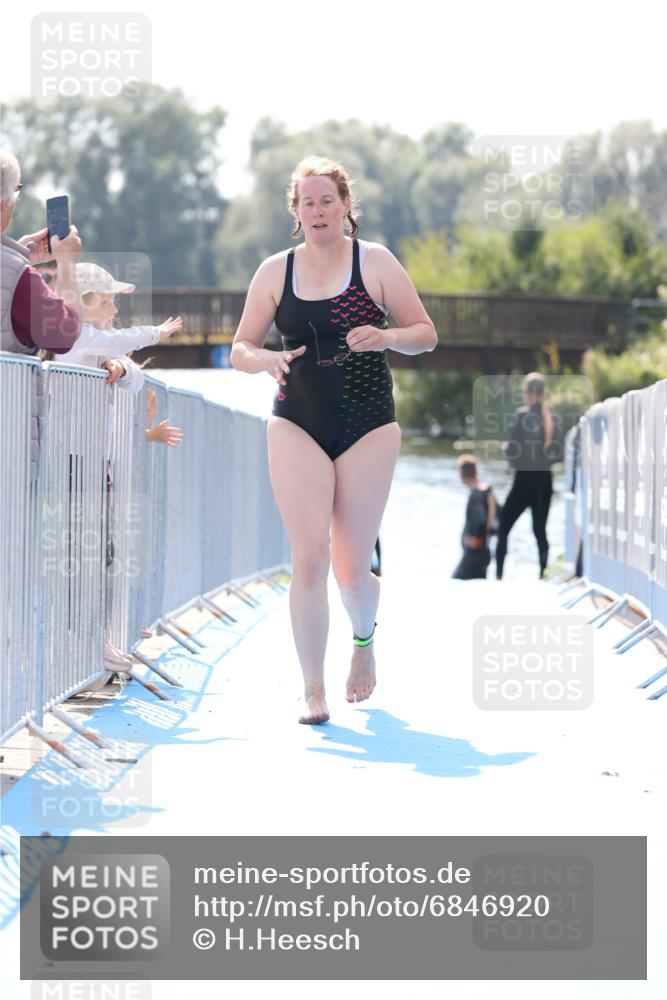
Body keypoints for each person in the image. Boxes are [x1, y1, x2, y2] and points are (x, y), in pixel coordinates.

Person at [231, 155, 437, 724]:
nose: (318, 211)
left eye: (327, 201)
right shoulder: (276, 270)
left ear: (347, 206)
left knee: (350, 567)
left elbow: (425, 335)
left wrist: (388, 335)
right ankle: (312, 688)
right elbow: (239, 348)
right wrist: (265, 358)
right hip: (296, 416)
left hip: (368, 421)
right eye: (307, 203)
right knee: (308, 556)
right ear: (295, 213)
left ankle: (364, 645)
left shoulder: (374, 263)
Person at [1, 149, 83, 355]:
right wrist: (66, 263)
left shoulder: (15, 269)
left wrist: (18, 253)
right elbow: (64, 335)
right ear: (3, 203)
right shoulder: (17, 275)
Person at [495, 372, 557, 580]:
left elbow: (512, 450)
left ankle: (499, 576)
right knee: (540, 530)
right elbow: (558, 452)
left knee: (503, 528)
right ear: (542, 393)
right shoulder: (552, 418)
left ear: (526, 393)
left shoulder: (520, 416)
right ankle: (542, 574)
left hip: (523, 480)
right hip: (545, 480)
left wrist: (514, 466)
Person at [452, 454, 497, 580]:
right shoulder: (488, 491)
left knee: (455, 581)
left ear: (462, 474)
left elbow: (481, 521)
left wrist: (472, 540)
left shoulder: (476, 495)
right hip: (483, 552)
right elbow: (497, 521)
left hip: (474, 554)